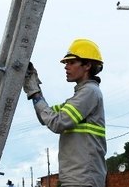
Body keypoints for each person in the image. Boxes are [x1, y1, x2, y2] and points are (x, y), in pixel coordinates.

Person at [23, 38, 107, 187]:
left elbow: (57, 123)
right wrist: (35, 89)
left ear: (87, 65)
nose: (66, 67)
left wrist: (34, 92)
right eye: (65, 63)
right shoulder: (78, 97)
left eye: (71, 62)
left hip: (83, 180)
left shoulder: (89, 92)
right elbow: (46, 117)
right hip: (77, 179)